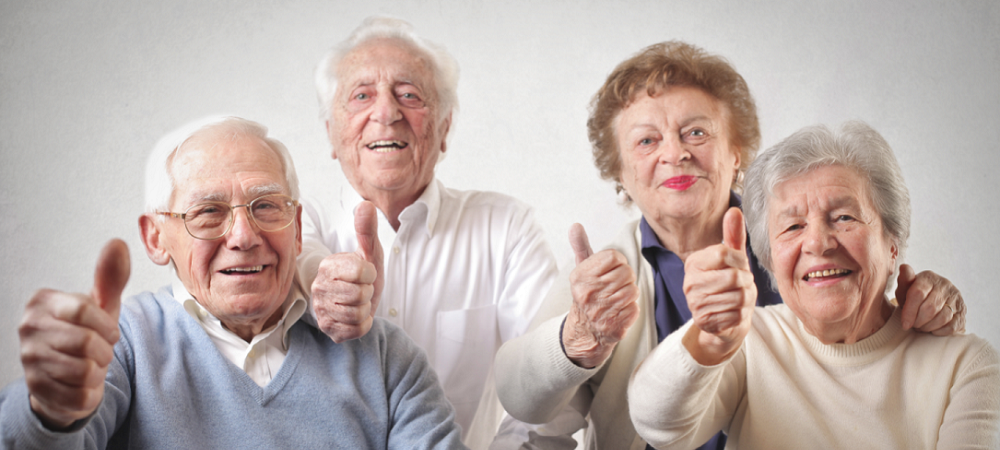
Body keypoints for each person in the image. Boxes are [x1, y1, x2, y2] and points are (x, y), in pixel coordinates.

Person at [493, 41, 968, 450]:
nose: (674, 153)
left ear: (736, 152)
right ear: (620, 172)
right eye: (646, 141)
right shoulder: (603, 281)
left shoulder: (800, 248)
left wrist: (927, 305)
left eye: (696, 132)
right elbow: (525, 407)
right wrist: (578, 336)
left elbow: (871, 355)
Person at [0, 116, 465, 449]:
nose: (244, 237)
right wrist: (48, 412)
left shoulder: (385, 358)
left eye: (266, 206)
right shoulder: (119, 343)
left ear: (298, 228)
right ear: (155, 237)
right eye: (208, 213)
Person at [628, 121, 1000, 448]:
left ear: (892, 245)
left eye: (843, 217)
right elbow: (660, 428)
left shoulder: (965, 366)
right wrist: (709, 340)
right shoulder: (751, 341)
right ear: (770, 259)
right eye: (793, 226)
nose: (818, 243)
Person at [298, 17, 558, 447]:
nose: (385, 112)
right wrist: (321, 282)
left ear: (444, 128)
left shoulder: (506, 227)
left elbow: (544, 383)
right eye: (361, 95)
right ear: (331, 133)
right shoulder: (295, 221)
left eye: (409, 95)